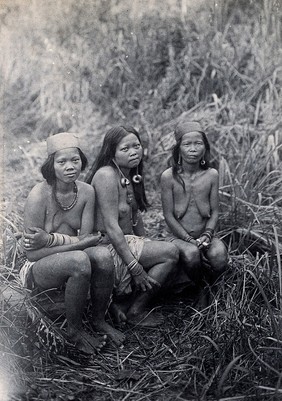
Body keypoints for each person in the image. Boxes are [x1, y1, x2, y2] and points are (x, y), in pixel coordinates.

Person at [20, 132, 125, 353]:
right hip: (38, 269)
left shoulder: (86, 192)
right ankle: (74, 331)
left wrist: (52, 240)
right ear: (51, 166)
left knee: (103, 256)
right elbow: (32, 255)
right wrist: (76, 244)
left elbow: (87, 243)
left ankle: (98, 320)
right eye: (62, 162)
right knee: (78, 260)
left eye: (75, 160)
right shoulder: (38, 195)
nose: (70, 167)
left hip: (71, 256)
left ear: (82, 162)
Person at [86, 126, 179, 327]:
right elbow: (111, 227)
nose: (133, 152)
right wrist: (135, 267)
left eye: (136, 146)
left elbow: (135, 217)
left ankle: (123, 305)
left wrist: (146, 242)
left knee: (170, 256)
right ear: (111, 152)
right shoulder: (106, 175)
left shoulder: (131, 174)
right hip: (106, 246)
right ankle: (135, 310)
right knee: (170, 252)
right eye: (125, 148)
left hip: (125, 243)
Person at [161, 121, 228, 306]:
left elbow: (214, 212)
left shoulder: (212, 175)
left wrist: (207, 235)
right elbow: (169, 216)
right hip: (180, 238)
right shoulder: (169, 177)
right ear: (178, 149)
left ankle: (210, 286)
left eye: (198, 144)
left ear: (205, 147)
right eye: (187, 144)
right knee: (191, 255)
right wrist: (190, 241)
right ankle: (200, 288)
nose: (193, 149)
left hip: (205, 236)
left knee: (220, 256)